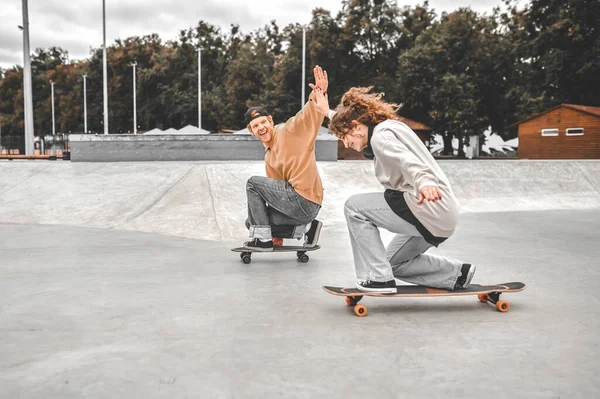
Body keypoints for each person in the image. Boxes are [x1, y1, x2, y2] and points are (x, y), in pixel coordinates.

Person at [327, 87, 475, 293]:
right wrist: (326, 112)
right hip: (443, 214)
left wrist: (424, 182)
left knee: (354, 208)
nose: (346, 144)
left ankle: (378, 279)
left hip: (426, 207)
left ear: (355, 126)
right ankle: (456, 274)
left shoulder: (380, 138)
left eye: (344, 137)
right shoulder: (388, 127)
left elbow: (408, 160)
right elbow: (348, 121)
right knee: (392, 263)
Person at [242, 66, 331, 251]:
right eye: (255, 126)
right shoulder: (269, 157)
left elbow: (307, 115)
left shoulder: (289, 130)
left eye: (263, 122)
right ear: (251, 132)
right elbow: (274, 193)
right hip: (297, 209)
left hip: (304, 198)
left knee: (252, 183)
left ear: (271, 121)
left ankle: (263, 241)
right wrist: (273, 233)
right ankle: (308, 228)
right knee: (254, 221)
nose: (261, 128)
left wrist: (319, 92)